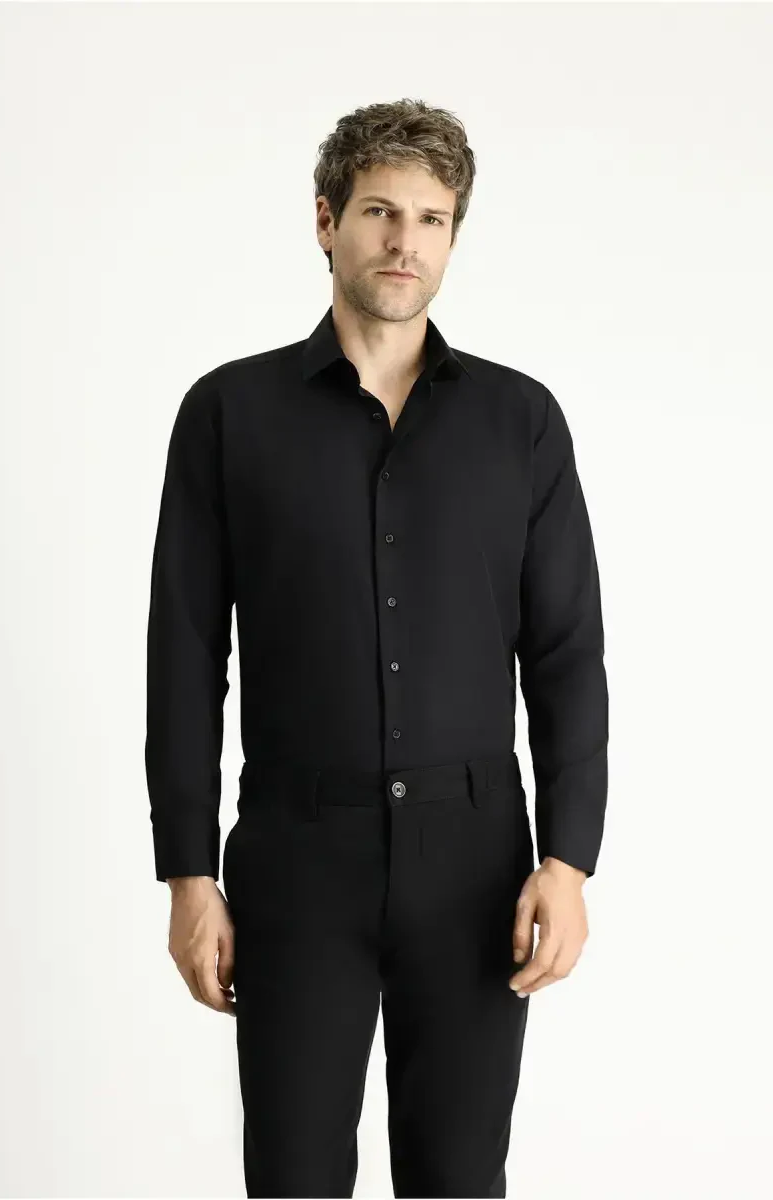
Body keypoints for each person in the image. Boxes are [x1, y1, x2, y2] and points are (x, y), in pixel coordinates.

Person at [144, 97, 609, 1199]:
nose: (405, 241)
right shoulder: (228, 414)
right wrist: (188, 874)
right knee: (294, 1176)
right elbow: (183, 654)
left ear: (453, 235)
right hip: (298, 857)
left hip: (475, 860)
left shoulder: (520, 423)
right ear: (325, 221)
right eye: (379, 212)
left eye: (432, 219)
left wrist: (568, 860)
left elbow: (564, 653)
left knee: (458, 1178)